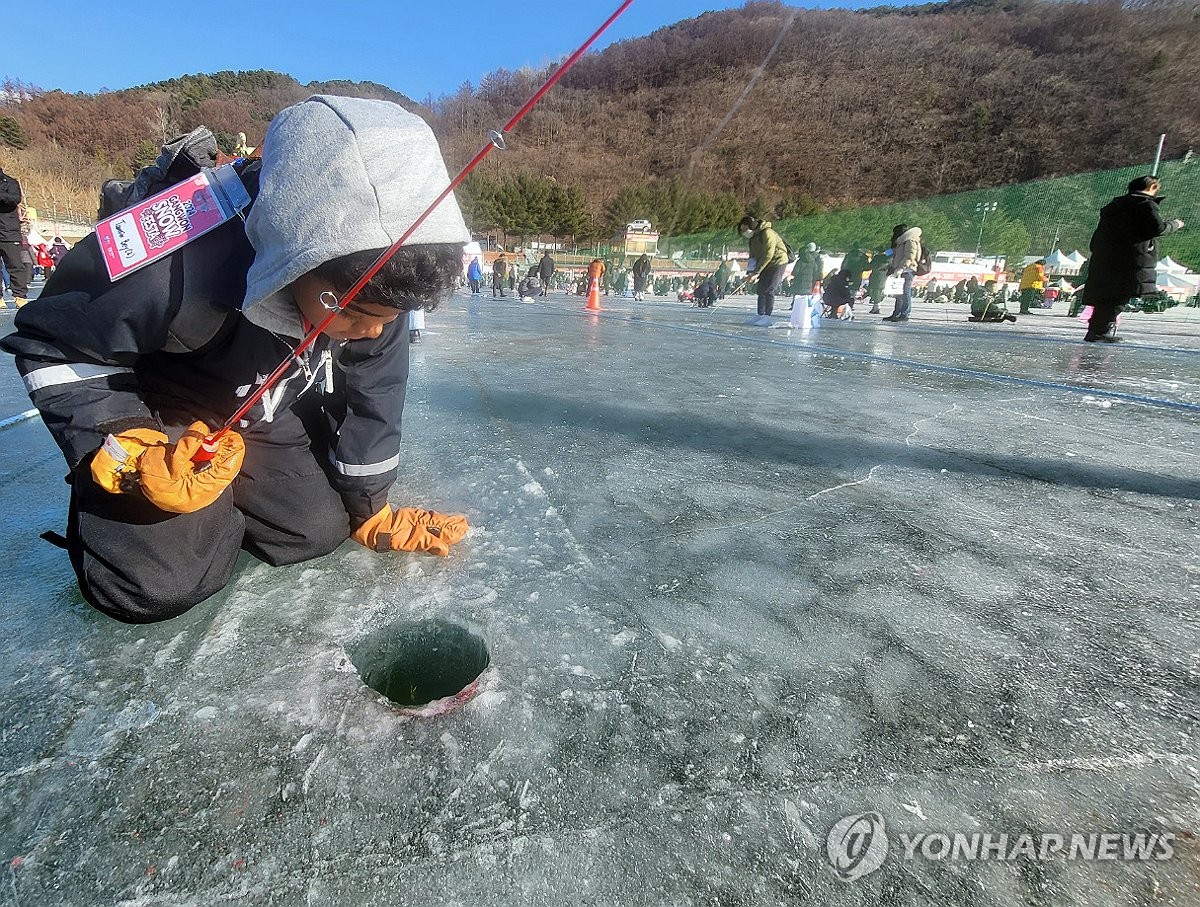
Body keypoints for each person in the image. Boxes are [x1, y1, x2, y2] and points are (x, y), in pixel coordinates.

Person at [1, 95, 470, 623]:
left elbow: (377, 388)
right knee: (154, 586)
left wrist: (371, 505)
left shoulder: (384, 276)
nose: (373, 332)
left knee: (316, 530)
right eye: (358, 311)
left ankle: (225, 503)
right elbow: (53, 339)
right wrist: (125, 439)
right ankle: (133, 513)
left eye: (391, 316)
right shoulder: (175, 258)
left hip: (258, 399)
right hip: (166, 405)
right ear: (299, 256)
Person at [1080, 175, 1185, 342]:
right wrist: (1175, 224)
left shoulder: (1114, 207)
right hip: (1131, 259)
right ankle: (1101, 331)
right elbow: (1157, 228)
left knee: (1106, 295)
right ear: (1152, 188)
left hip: (1106, 257)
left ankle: (1095, 330)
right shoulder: (1145, 205)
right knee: (1120, 295)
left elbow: (1099, 235)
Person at [739, 214, 789, 326]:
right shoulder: (752, 238)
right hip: (764, 264)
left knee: (769, 289)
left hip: (777, 262)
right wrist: (750, 273)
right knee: (761, 289)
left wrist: (757, 272)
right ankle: (760, 314)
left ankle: (767, 316)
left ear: (751, 226)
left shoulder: (767, 233)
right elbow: (752, 256)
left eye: (745, 229)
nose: (744, 232)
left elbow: (768, 254)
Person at [0, 165, 31, 308]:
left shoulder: (10, 182)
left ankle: (19, 295)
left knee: (15, 265)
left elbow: (14, 199)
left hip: (9, 231)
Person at [882, 223, 922, 322]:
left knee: (905, 292)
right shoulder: (903, 241)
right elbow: (897, 253)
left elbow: (910, 256)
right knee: (899, 293)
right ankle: (897, 313)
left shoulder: (910, 240)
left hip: (907, 270)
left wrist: (901, 267)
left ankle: (905, 313)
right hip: (901, 270)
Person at [866, 250, 889, 314]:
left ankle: (876, 307)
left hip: (876, 275)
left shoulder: (877, 257)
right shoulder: (889, 258)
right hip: (885, 275)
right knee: (879, 290)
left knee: (876, 291)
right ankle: (876, 307)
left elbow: (870, 266)